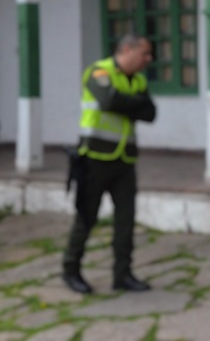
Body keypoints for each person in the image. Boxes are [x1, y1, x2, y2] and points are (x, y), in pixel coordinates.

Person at [62, 34, 157, 294]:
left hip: (125, 160)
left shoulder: (138, 79)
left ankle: (123, 274)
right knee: (86, 218)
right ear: (127, 49)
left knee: (125, 221)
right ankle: (71, 270)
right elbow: (108, 101)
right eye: (145, 53)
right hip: (94, 159)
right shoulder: (98, 72)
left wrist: (126, 103)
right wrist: (133, 103)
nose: (149, 60)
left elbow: (150, 113)